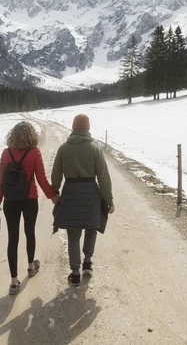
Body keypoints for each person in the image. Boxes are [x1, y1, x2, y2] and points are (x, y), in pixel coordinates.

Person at [51, 114, 114, 287]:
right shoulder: (95, 149)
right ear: (88, 128)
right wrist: (109, 200)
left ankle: (75, 272)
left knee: (73, 234)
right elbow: (104, 178)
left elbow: (56, 174)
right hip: (91, 195)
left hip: (70, 193)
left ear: (73, 127)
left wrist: (54, 192)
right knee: (91, 227)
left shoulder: (63, 149)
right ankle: (87, 260)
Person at [0, 121, 56, 295]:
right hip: (30, 200)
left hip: (10, 201)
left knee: (12, 239)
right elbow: (42, 179)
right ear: (31, 136)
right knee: (30, 232)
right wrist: (53, 196)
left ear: (12, 135)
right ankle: (31, 267)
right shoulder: (34, 152)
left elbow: (1, 180)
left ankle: (14, 282)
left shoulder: (6, 153)